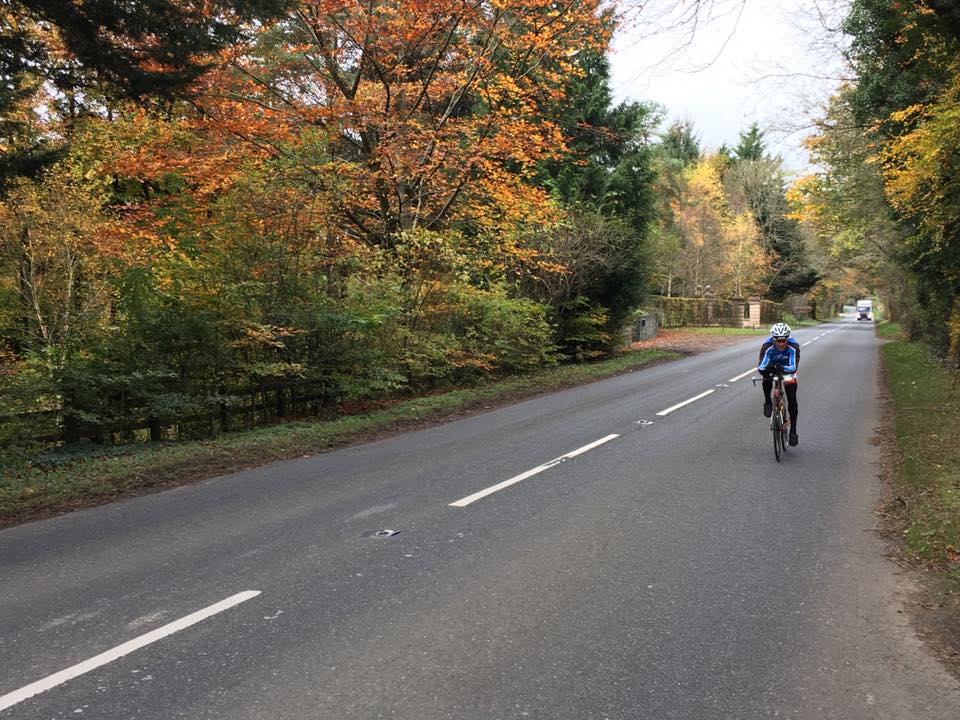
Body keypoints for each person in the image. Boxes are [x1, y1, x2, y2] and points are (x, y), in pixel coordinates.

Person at [758, 321, 800, 446]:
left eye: (784, 340)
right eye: (778, 340)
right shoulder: (767, 346)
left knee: (792, 398)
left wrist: (782, 368)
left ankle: (793, 431)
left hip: (787, 370)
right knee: (766, 378)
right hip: (772, 369)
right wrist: (770, 368)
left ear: (788, 338)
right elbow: (761, 367)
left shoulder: (794, 346)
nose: (781, 343)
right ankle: (768, 401)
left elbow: (793, 367)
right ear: (773, 339)